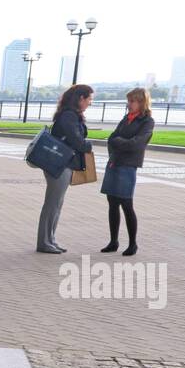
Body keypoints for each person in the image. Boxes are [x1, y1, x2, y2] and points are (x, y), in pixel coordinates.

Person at [36, 84, 94, 254]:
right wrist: (88, 145)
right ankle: (44, 242)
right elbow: (77, 141)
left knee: (56, 204)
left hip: (62, 163)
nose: (90, 102)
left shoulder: (70, 114)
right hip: (60, 164)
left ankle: (50, 240)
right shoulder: (69, 116)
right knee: (52, 204)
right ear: (81, 98)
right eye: (89, 98)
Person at [101, 87, 155, 256]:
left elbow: (137, 144)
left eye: (132, 101)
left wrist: (119, 142)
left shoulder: (147, 122)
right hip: (114, 163)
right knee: (112, 203)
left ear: (141, 102)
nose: (129, 104)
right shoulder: (126, 118)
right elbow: (111, 138)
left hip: (128, 166)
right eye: (129, 101)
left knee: (126, 204)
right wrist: (120, 143)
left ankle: (133, 244)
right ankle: (113, 241)